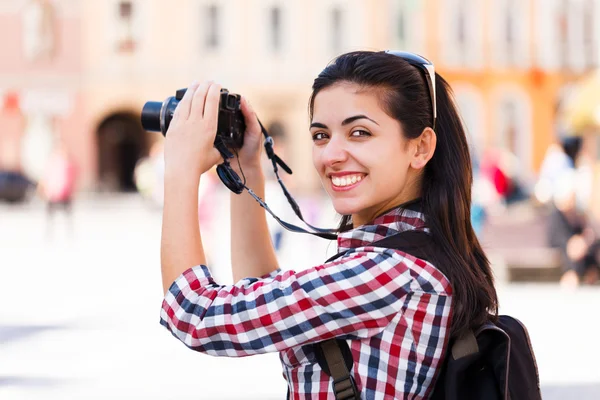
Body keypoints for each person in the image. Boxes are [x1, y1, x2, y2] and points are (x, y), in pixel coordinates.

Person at [158, 51, 498, 399]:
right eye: (321, 135)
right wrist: (248, 167)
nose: (331, 155)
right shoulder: (419, 253)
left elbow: (195, 315)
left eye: (359, 132)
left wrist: (180, 169)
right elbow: (264, 291)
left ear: (420, 147)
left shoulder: (386, 273)